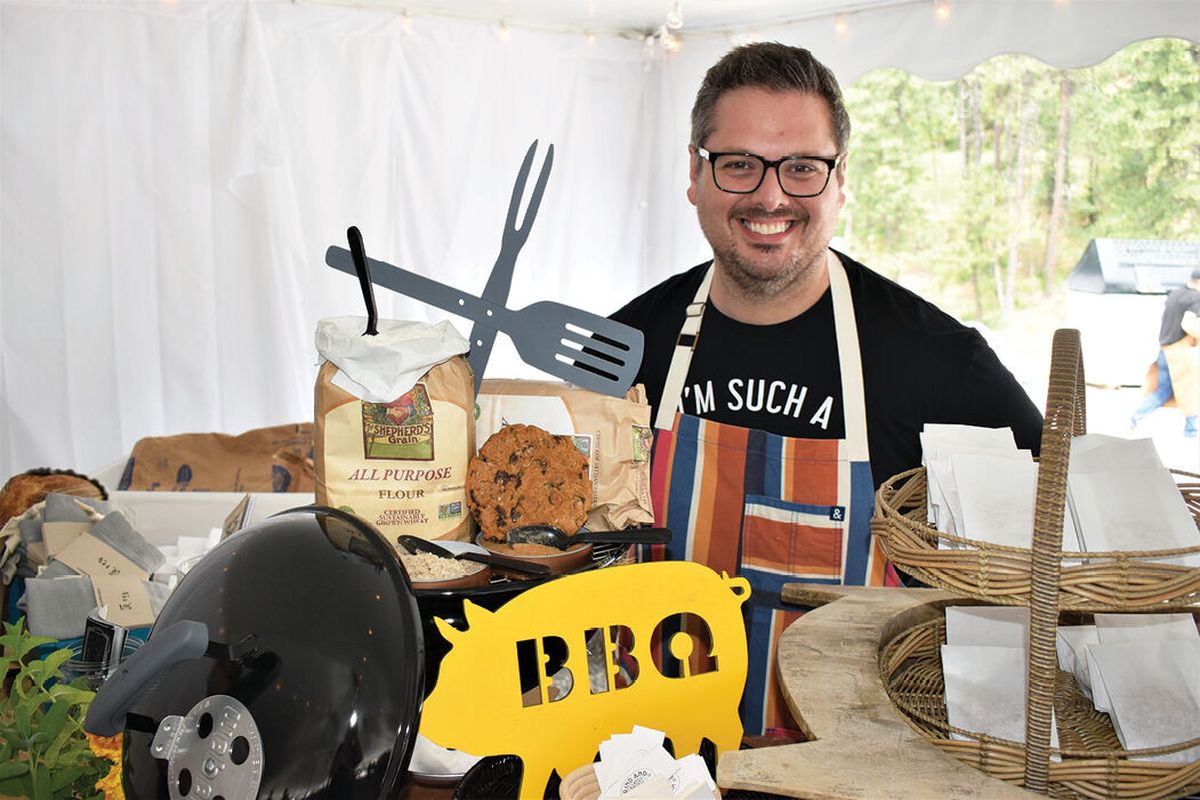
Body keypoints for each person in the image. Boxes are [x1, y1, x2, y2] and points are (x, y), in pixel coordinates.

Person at [611, 42, 1043, 737]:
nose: (771, 195)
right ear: (695, 174)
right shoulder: (624, 347)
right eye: (738, 164)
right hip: (645, 758)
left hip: (856, 764)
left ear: (841, 181)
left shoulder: (937, 362)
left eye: (803, 168)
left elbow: (1053, 547)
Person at [1130, 269, 1200, 437]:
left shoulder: (1175, 293)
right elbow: (1188, 323)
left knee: (1163, 391)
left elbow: (1164, 317)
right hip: (1179, 352)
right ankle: (1191, 431)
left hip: (1164, 349)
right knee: (1189, 390)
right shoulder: (1195, 298)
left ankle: (1135, 418)